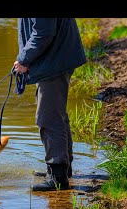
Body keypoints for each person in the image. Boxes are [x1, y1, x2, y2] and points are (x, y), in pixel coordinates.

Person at [14, 18, 86, 191]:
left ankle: (57, 177)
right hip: (52, 60)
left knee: (48, 118)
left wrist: (24, 59)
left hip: (54, 62)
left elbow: (43, 33)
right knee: (56, 114)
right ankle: (62, 168)